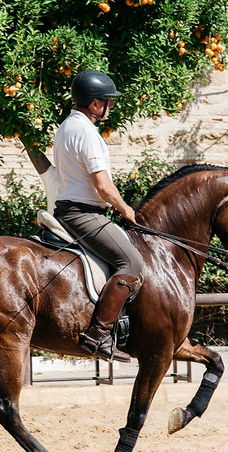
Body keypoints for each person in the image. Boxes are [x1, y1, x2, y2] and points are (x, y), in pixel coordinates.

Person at [52, 70, 144, 363]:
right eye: (108, 102)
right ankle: (99, 334)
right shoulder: (87, 132)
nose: (110, 107)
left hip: (69, 208)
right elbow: (103, 185)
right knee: (131, 262)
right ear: (95, 104)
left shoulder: (66, 126)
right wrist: (125, 208)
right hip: (83, 214)